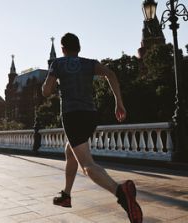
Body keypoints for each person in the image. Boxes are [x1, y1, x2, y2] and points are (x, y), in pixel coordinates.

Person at [42, 33, 143, 223]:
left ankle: (122, 193)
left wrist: (52, 84)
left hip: (72, 116)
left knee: (87, 165)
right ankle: (66, 195)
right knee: (70, 151)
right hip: (90, 115)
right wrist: (119, 103)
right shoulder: (89, 63)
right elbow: (111, 74)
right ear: (79, 48)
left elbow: (46, 91)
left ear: (63, 49)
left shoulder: (57, 63)